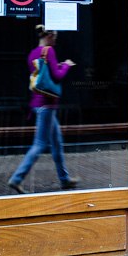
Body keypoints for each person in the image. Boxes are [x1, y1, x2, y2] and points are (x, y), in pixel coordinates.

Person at [8, 25, 80, 194]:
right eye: (54, 36)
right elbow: (57, 76)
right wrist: (66, 65)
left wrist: (57, 66)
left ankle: (64, 179)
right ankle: (16, 179)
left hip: (37, 102)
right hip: (46, 105)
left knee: (56, 142)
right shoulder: (49, 51)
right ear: (48, 35)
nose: (56, 40)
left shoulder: (33, 53)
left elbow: (41, 75)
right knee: (40, 144)